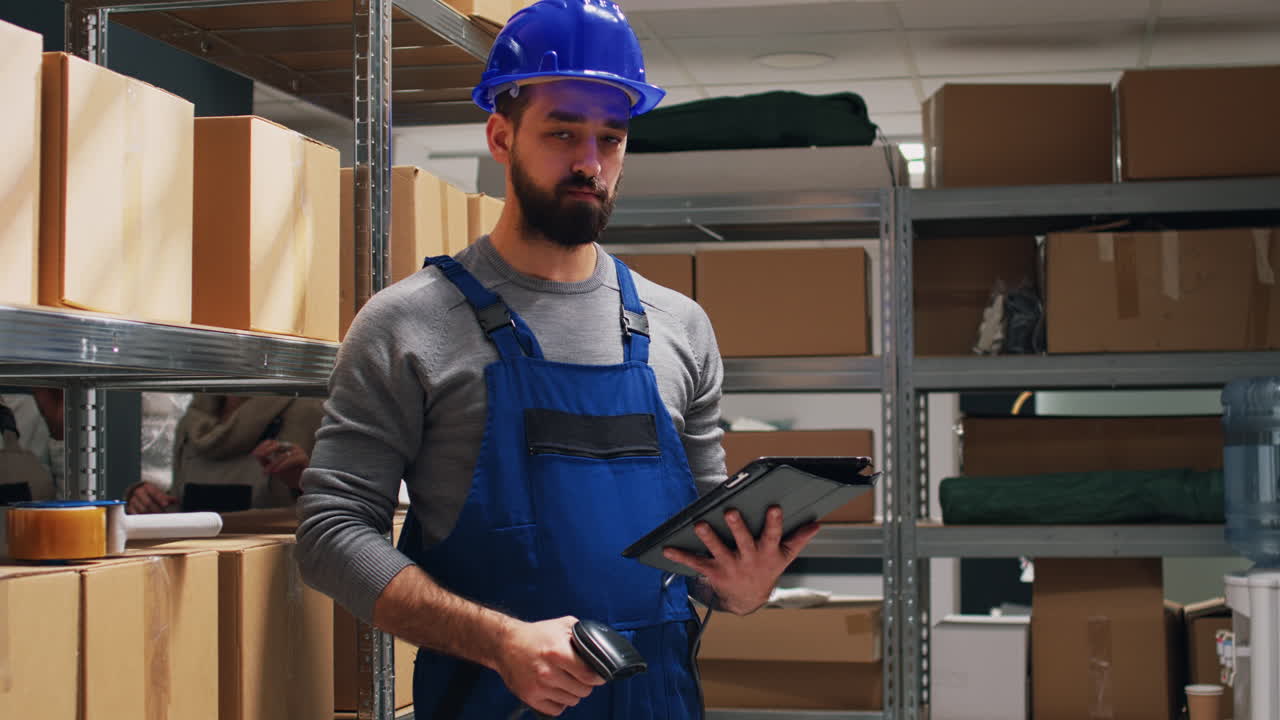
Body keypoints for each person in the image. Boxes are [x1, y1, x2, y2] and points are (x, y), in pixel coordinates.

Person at [295, 1, 822, 717]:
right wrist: (499, 642)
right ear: (501, 136)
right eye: (563, 132)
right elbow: (330, 533)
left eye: (611, 138)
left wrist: (742, 588)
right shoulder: (408, 324)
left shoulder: (681, 329)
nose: (589, 162)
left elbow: (705, 555)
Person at [126, 393, 323, 514]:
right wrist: (147, 500)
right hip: (197, 566)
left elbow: (339, 513)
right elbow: (183, 505)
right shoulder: (192, 422)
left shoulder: (310, 413)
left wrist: (304, 485)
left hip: (270, 570)